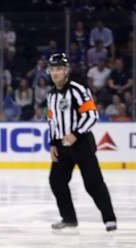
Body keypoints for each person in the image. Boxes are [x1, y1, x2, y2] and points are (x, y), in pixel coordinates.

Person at [46, 53, 116, 232]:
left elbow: (92, 115)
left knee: (93, 183)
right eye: (53, 69)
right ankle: (69, 219)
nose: (55, 73)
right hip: (62, 145)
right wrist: (53, 143)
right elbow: (52, 121)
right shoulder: (51, 95)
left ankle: (109, 219)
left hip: (82, 143)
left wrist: (75, 134)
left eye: (59, 69)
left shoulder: (78, 89)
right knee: (56, 181)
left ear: (66, 70)